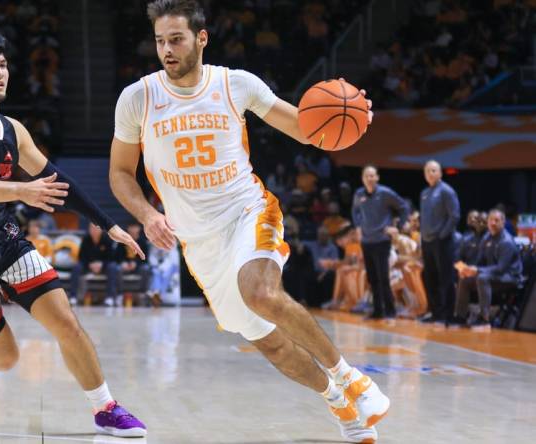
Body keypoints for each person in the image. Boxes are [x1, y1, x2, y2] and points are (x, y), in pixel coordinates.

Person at [108, 2, 387, 441]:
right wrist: (146, 214)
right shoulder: (138, 98)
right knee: (270, 342)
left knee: (259, 291)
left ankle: (352, 378)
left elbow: (307, 128)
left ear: (201, 39)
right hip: (198, 242)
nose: (167, 49)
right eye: (161, 41)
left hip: (247, 210)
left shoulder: (234, 84)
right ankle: (338, 400)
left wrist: (355, 115)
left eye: (176, 39)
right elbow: (120, 173)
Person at [0, 26, 146, 437]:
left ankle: (105, 408)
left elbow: (56, 180)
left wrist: (108, 224)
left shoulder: (13, 130)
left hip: (1, 238)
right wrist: (22, 190)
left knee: (66, 321)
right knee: (5, 360)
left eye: (3, 65)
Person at [352, 165, 408, 321]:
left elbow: (403, 207)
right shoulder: (358, 194)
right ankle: (377, 311)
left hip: (382, 241)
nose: (369, 179)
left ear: (377, 178)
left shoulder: (385, 193)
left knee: (383, 277)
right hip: (366, 241)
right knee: (372, 278)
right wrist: (358, 227)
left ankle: (390, 311)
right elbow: (355, 211)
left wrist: (397, 226)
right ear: (363, 178)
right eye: (366, 176)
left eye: (372, 176)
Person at [454, 209, 522, 331]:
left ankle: (484, 319)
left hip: (510, 277)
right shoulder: (486, 238)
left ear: (503, 222)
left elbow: (501, 269)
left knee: (482, 278)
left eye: (497, 220)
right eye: (491, 220)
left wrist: (477, 270)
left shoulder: (506, 242)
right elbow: (479, 262)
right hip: (493, 275)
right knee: (465, 279)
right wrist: (468, 270)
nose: (493, 223)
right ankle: (460, 316)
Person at [418, 160, 460, 326]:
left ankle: (447, 315)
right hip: (427, 241)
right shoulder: (425, 193)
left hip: (442, 241)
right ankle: (435, 313)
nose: (431, 173)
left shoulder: (446, 191)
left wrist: (442, 235)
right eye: (428, 171)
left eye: (434, 170)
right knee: (430, 278)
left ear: (440, 173)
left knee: (445, 278)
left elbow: (454, 216)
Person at [70, 223, 121, 306]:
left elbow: (112, 257)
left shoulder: (107, 239)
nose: (93, 230)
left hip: (103, 266)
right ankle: (73, 297)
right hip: (89, 265)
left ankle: (110, 297)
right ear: (89, 230)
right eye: (91, 228)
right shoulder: (86, 239)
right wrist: (90, 265)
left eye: (96, 228)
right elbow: (81, 257)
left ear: (101, 229)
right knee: (76, 267)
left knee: (113, 267)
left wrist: (101, 264)